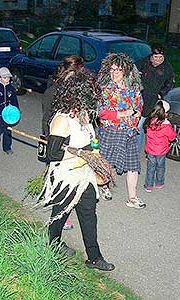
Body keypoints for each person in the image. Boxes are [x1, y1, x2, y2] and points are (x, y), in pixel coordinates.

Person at [39, 56, 114, 271]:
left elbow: (89, 143)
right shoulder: (62, 120)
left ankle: (94, 257)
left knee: (89, 214)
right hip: (66, 177)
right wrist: (82, 155)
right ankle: (52, 245)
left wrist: (94, 156)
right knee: (59, 214)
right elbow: (53, 154)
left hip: (84, 176)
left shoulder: (83, 116)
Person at [98, 53, 145, 209]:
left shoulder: (133, 88)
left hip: (130, 132)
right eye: (112, 70)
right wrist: (123, 114)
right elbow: (100, 112)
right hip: (111, 131)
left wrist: (137, 113)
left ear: (125, 70)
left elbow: (139, 105)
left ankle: (132, 198)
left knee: (133, 166)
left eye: (118, 70)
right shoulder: (106, 89)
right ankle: (104, 186)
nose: (114, 73)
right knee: (107, 163)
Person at [136, 44, 175, 151]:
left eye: (161, 57)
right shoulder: (143, 63)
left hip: (154, 101)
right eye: (156, 57)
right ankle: (136, 150)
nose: (158, 60)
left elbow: (170, 83)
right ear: (151, 56)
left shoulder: (167, 68)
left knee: (150, 127)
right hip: (140, 98)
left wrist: (161, 93)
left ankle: (153, 149)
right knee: (138, 126)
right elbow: (132, 74)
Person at [143, 100, 176, 192]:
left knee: (150, 168)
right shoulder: (166, 126)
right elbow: (172, 137)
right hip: (161, 151)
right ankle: (159, 183)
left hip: (150, 150)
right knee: (160, 167)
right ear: (164, 114)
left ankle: (148, 186)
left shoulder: (149, 122)